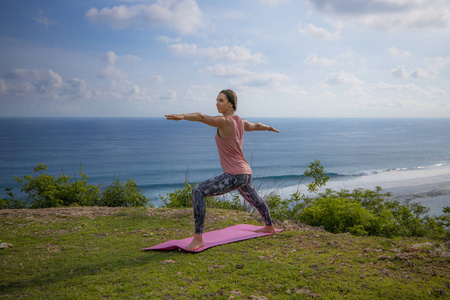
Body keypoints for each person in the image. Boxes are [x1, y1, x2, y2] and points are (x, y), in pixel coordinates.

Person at [165, 89, 279, 251]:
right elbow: (255, 126)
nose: (217, 103)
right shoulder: (240, 121)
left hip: (235, 174)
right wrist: (268, 128)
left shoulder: (225, 122)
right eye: (217, 100)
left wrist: (183, 116)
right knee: (255, 200)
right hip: (245, 172)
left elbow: (202, 117)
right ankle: (269, 227)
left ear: (230, 104)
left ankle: (198, 239)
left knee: (198, 191)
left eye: (221, 100)